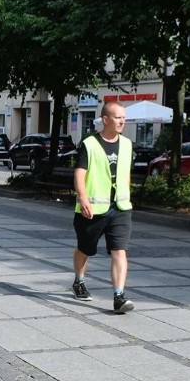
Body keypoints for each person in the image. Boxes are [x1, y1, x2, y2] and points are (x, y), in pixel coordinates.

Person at [71, 101, 135, 314]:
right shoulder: (89, 144)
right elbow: (80, 174)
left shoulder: (127, 144)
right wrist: (84, 198)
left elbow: (125, 173)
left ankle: (118, 296)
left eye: (124, 118)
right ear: (105, 120)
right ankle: (79, 280)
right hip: (93, 210)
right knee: (84, 248)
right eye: (118, 117)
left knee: (120, 250)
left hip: (121, 207)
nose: (122, 121)